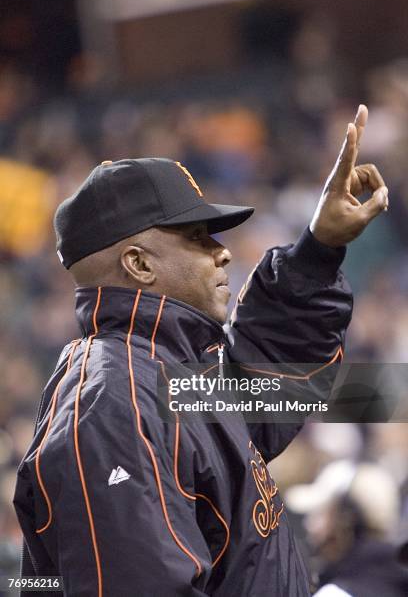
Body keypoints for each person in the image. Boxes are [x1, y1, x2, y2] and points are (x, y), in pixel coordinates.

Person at [13, 106, 388, 596]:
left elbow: (268, 379)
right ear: (139, 263)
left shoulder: (161, 370)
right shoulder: (112, 402)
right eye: (196, 237)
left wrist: (318, 249)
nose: (223, 250)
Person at [286, 460, 408, 597]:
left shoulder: (335, 593)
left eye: (321, 513)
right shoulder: (399, 582)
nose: (310, 525)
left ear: (347, 520)